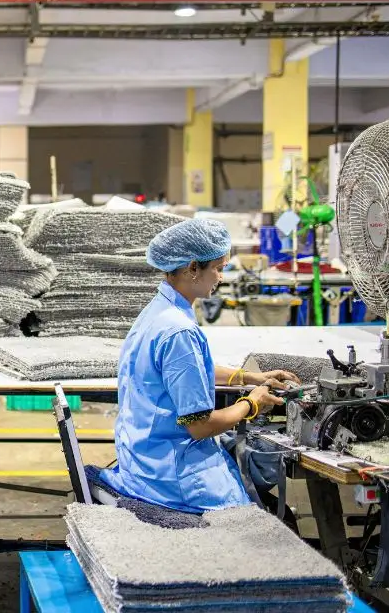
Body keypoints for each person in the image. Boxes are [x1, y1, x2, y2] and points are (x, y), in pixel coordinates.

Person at [100, 219, 298, 513]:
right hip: (172, 477)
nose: (220, 277)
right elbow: (199, 425)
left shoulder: (158, 312)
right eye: (218, 268)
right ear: (193, 268)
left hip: (144, 458)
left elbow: (186, 370)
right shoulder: (179, 332)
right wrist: (251, 404)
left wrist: (250, 377)